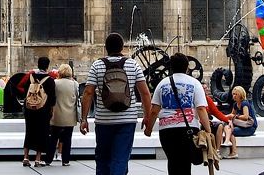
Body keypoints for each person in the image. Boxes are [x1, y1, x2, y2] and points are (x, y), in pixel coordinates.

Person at [81, 32, 152, 175]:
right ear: (122, 47)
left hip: (103, 121)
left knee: (102, 158)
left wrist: (83, 119)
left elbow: (88, 93)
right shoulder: (133, 65)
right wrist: (147, 116)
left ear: (106, 47)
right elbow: (145, 93)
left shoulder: (97, 65)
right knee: (120, 159)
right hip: (127, 120)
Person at [143, 52, 210, 175]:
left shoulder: (162, 84)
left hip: (167, 131)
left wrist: (149, 129)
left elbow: (154, 111)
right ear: (186, 67)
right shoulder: (195, 83)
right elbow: (201, 109)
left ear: (171, 67)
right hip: (188, 130)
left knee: (173, 161)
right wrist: (208, 130)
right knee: (185, 163)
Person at [22, 56, 57, 166]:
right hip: (43, 110)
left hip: (29, 110)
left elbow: (24, 91)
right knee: (42, 133)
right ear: (47, 66)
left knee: (29, 132)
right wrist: (51, 110)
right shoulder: (50, 80)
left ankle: (26, 158)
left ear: (38, 65)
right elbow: (52, 98)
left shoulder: (30, 77)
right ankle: (37, 159)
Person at [45, 63, 79, 166]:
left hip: (57, 115)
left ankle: (48, 159)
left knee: (53, 138)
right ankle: (65, 160)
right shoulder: (75, 84)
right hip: (70, 115)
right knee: (67, 139)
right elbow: (77, 98)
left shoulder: (55, 83)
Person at [226, 85, 257, 158]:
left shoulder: (244, 103)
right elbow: (232, 114)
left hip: (250, 127)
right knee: (229, 129)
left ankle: (234, 152)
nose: (234, 96)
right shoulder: (235, 105)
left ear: (241, 95)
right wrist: (224, 116)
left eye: (236, 94)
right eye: (233, 94)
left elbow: (246, 117)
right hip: (242, 126)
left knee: (231, 131)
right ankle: (232, 152)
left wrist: (235, 116)